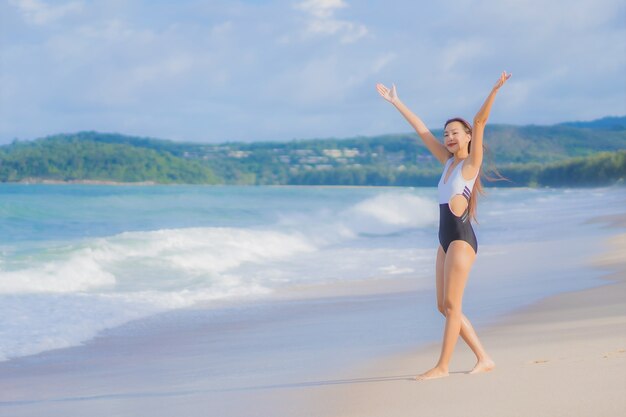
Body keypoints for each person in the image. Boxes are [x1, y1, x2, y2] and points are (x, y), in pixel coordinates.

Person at [376, 71, 511, 380]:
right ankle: (484, 357)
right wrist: (397, 102)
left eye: (455, 133)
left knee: (453, 304)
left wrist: (493, 90)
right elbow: (422, 130)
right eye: (446, 133)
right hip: (444, 239)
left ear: (467, 138)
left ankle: (443, 366)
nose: (449, 137)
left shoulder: (470, 164)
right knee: (443, 306)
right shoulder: (447, 162)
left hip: (462, 239)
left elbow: (479, 123)